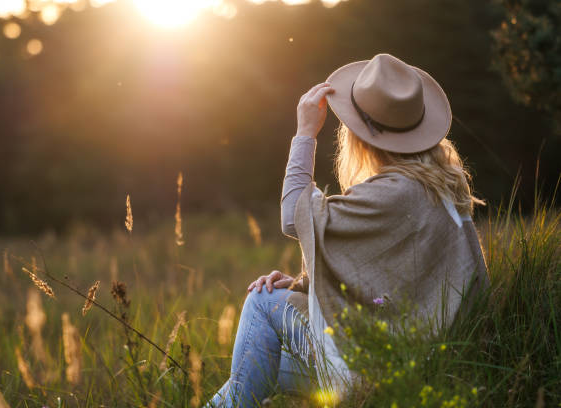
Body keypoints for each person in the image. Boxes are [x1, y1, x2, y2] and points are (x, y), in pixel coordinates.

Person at [207, 53, 489, 407]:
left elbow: (293, 216)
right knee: (260, 370)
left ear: (360, 135)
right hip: (424, 362)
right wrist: (303, 285)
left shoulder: (399, 191)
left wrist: (305, 133)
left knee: (262, 304)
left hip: (389, 370)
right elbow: (387, 275)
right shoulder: (442, 185)